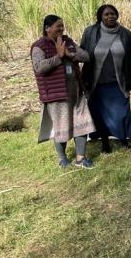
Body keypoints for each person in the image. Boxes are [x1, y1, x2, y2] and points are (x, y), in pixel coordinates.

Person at [31, 15, 95, 169]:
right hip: (56, 95)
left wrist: (70, 55)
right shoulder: (39, 46)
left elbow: (86, 56)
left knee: (82, 123)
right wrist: (58, 57)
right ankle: (62, 158)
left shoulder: (68, 41)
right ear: (47, 28)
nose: (61, 29)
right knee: (62, 126)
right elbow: (39, 67)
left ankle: (81, 158)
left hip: (76, 92)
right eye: (57, 26)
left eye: (62, 26)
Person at [80, 4, 131, 152]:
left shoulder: (126, 34)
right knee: (100, 115)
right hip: (97, 83)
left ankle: (123, 140)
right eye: (106, 14)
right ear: (100, 17)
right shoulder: (90, 32)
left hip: (119, 82)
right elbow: (82, 53)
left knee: (122, 113)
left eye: (113, 14)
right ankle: (105, 144)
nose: (110, 17)